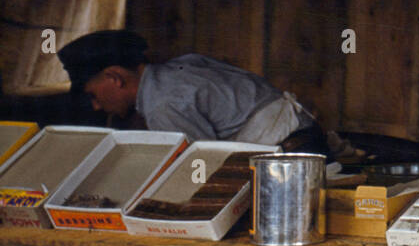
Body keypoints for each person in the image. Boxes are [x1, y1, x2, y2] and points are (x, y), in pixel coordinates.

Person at [57, 29, 327, 154]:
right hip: (308, 137)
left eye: (93, 94)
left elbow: (204, 168)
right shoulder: (183, 65)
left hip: (294, 155)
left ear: (114, 78)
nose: (95, 106)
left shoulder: (161, 105)